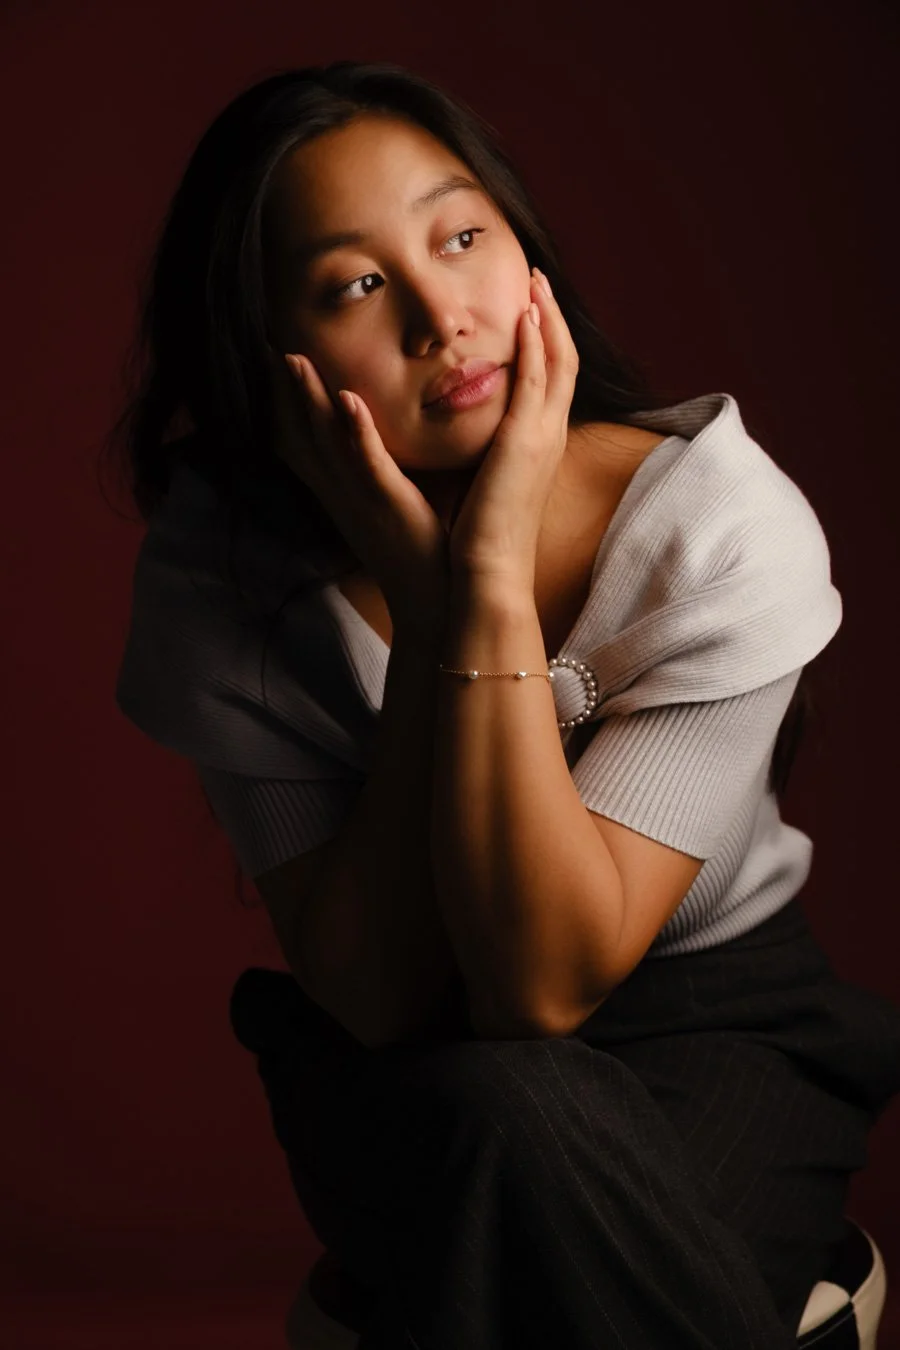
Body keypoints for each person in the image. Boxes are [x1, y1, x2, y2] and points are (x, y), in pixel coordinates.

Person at [109, 61, 900, 1349]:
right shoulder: (226, 574)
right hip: (398, 1059)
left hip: (718, 1018)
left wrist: (477, 584)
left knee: (512, 1177)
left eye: (462, 236)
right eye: (357, 284)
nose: (442, 316)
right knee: (497, 1116)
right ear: (272, 358)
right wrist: (438, 616)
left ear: (523, 250)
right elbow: (377, 991)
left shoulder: (712, 525)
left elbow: (539, 986)